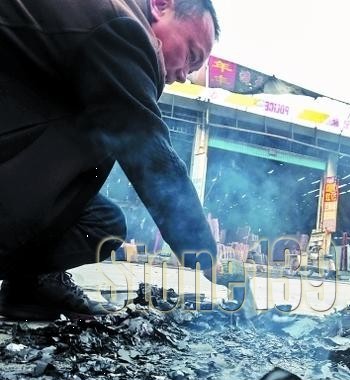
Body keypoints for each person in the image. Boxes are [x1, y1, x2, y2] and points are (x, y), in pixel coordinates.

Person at [0, 0, 220, 320]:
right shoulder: (121, 29)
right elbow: (154, 160)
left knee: (102, 222)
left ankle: (31, 285)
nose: (185, 75)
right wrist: (209, 261)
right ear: (161, 5)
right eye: (191, 55)